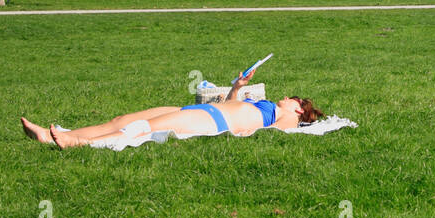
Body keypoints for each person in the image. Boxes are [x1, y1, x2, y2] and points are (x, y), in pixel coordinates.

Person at [21, 68, 324, 148]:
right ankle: (54, 134)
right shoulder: (268, 107)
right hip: (202, 111)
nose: (287, 97)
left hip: (210, 122)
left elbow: (279, 128)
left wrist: (303, 119)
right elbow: (232, 105)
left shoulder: (285, 119)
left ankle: (74, 143)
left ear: (299, 109)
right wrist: (238, 87)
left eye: (294, 99)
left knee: (141, 129)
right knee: (123, 119)